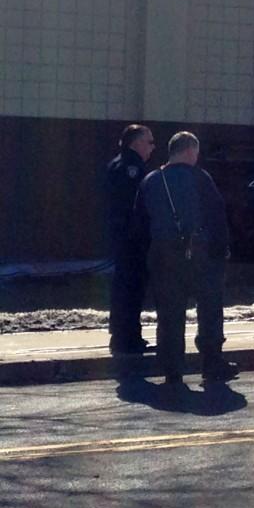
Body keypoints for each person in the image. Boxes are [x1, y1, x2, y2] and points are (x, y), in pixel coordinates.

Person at [132, 132, 238, 385]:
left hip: (163, 254)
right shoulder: (200, 178)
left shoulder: (151, 180)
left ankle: (172, 369)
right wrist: (221, 250)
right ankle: (212, 363)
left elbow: (139, 223)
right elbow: (217, 215)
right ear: (190, 151)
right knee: (209, 308)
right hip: (200, 253)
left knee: (169, 313)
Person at [105, 124, 155, 355]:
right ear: (136, 143)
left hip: (122, 238)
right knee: (132, 288)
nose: (152, 147)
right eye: (149, 142)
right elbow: (135, 206)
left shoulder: (117, 163)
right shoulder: (132, 168)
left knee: (124, 287)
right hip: (132, 240)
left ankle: (124, 334)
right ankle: (128, 338)